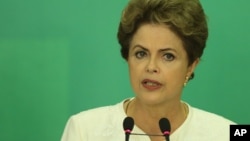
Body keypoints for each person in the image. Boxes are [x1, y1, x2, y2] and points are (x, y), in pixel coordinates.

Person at [61, 0, 235, 141]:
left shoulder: (228, 133)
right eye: (141, 53)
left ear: (191, 66)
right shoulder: (83, 130)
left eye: (167, 56)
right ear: (127, 57)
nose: (151, 67)